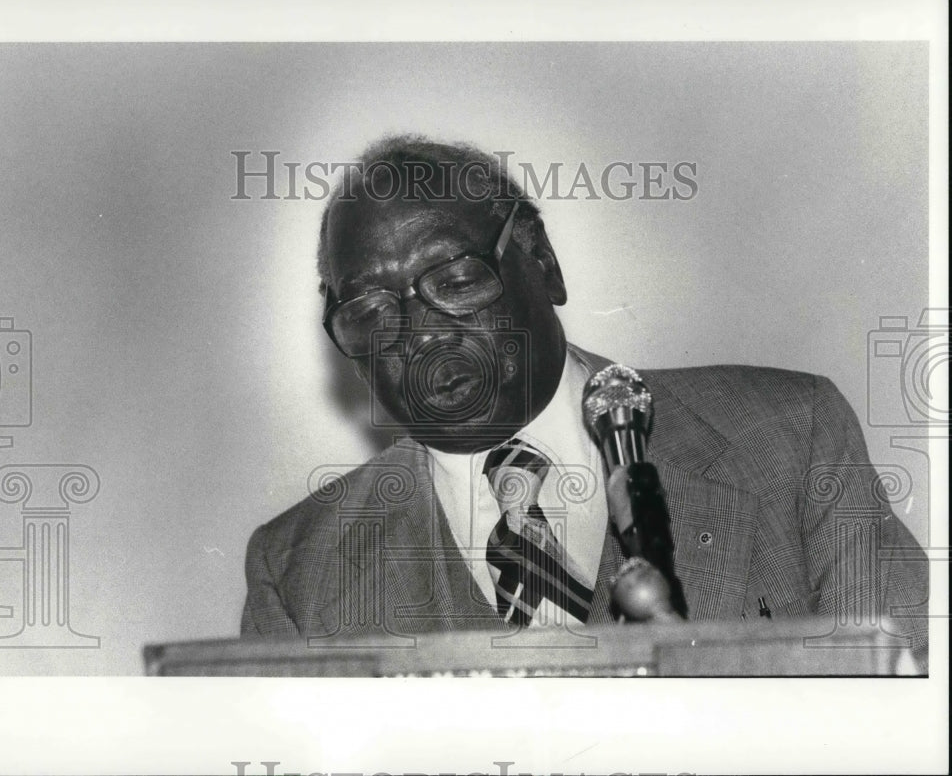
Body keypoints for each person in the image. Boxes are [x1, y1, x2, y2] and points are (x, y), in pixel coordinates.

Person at [241, 135, 928, 667]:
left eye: (453, 278)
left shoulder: (791, 437)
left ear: (541, 261)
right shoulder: (298, 570)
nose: (419, 334)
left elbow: (890, 725)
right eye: (369, 308)